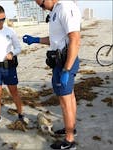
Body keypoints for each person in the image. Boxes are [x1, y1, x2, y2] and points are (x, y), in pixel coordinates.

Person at [22, 0, 81, 149]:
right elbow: (56, 40)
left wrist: (66, 69)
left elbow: (75, 39)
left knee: (65, 102)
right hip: (60, 62)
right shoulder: (56, 10)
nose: (40, 7)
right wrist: (35, 39)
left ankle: (69, 141)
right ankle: (71, 129)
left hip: (65, 62)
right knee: (70, 97)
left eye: (41, 4)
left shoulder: (65, 8)